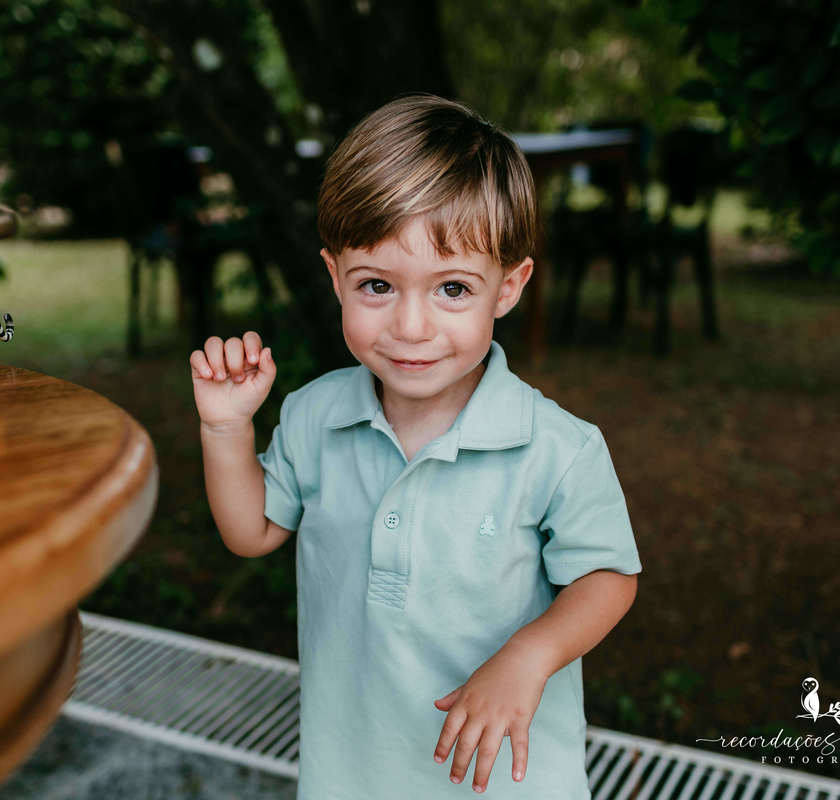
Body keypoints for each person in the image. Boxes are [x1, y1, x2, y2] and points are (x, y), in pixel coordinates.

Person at [189, 94, 642, 799]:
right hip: (355, 774)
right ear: (335, 275)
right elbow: (252, 533)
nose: (410, 324)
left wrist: (529, 656)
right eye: (376, 285)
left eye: (452, 288)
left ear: (509, 287)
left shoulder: (559, 448)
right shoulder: (315, 417)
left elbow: (608, 578)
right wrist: (225, 429)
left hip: (506, 782)